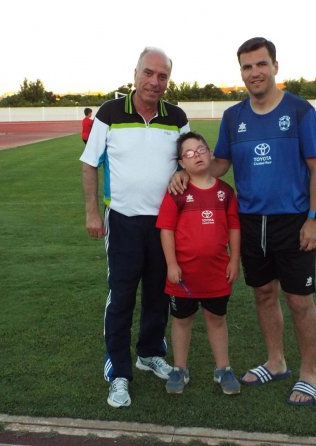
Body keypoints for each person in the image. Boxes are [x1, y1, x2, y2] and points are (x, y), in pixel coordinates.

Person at [170, 37, 316, 406]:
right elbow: (220, 164)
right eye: (247, 66)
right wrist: (186, 172)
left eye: (261, 64)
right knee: (263, 293)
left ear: (275, 66)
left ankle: (308, 372)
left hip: (293, 220)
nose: (254, 72)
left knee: (299, 299)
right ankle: (276, 361)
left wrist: (314, 219)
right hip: (249, 220)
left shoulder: (301, 112)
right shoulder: (233, 117)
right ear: (240, 72)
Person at [80, 47, 190, 408]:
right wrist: (92, 213)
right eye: (149, 73)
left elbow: (189, 162)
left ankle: (148, 353)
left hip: (165, 225)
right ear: (135, 73)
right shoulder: (110, 113)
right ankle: (119, 373)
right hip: (123, 220)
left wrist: (182, 172)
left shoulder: (176, 117)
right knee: (122, 296)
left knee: (160, 292)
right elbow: (89, 163)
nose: (154, 82)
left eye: (162, 76)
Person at [156, 131, 241, 395]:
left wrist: (234, 261)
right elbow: (166, 230)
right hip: (183, 276)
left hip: (217, 273)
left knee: (217, 319)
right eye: (189, 153)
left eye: (201, 149)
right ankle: (180, 369)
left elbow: (234, 229)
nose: (197, 155)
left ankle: (223, 369)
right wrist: (171, 264)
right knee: (182, 321)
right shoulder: (177, 192)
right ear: (182, 163)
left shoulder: (225, 192)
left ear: (210, 153)